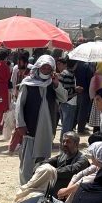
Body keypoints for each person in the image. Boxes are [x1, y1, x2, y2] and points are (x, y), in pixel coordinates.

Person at [15, 55, 67, 184]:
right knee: (28, 161)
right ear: (38, 67)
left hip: (47, 129)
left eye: (49, 68)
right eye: (43, 67)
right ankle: (26, 186)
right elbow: (19, 105)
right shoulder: (28, 83)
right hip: (31, 128)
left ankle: (39, 185)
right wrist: (20, 124)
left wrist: (57, 84)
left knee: (43, 160)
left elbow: (64, 98)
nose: (46, 70)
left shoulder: (53, 84)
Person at [14, 131, 90, 202]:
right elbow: (48, 161)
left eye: (68, 142)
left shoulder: (82, 160)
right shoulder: (63, 155)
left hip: (72, 194)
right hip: (56, 191)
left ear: (76, 144)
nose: (64, 144)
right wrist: (39, 167)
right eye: (63, 141)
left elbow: (70, 171)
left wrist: (49, 171)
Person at [0, 50, 11, 135]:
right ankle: (0, 127)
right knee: (3, 108)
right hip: (4, 88)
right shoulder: (6, 66)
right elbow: (8, 77)